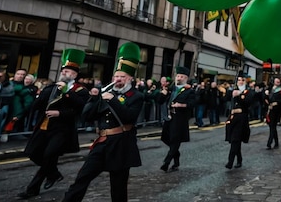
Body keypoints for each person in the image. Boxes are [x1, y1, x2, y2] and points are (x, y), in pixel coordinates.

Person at [62, 42, 144, 202]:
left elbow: (129, 117)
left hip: (121, 144)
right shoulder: (106, 92)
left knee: (118, 186)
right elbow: (87, 116)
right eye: (117, 76)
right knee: (82, 177)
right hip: (102, 142)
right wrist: (93, 98)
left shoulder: (136, 96)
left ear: (130, 79)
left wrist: (113, 100)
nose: (118, 80)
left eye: (122, 77)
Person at [17, 49, 89, 199]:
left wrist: (60, 111)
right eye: (64, 71)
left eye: (69, 72)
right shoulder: (51, 87)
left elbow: (80, 108)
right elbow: (37, 105)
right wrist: (19, 115)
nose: (65, 73)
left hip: (62, 130)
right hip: (44, 126)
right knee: (33, 154)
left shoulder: (80, 90)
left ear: (75, 75)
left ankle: (32, 189)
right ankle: (54, 174)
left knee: (49, 155)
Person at [159, 66, 196, 172]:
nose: (179, 78)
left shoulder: (189, 91)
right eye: (178, 76)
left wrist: (182, 105)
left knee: (175, 140)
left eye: (182, 76)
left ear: (186, 78)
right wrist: (162, 94)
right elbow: (160, 101)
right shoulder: (171, 89)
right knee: (166, 138)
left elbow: (192, 103)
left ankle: (166, 162)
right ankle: (176, 156)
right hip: (169, 117)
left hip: (180, 119)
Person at [224, 86, 252, 169]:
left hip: (241, 121)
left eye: (242, 80)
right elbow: (225, 99)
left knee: (235, 140)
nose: (240, 81)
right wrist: (230, 93)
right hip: (232, 119)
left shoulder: (247, 92)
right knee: (235, 142)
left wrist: (239, 96)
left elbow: (247, 104)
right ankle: (239, 159)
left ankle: (230, 162)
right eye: (239, 80)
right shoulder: (233, 91)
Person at [265, 77, 281, 149]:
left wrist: (277, 103)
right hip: (270, 109)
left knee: (272, 126)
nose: (277, 82)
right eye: (276, 81)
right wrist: (266, 95)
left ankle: (269, 143)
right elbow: (265, 98)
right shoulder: (270, 89)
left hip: (277, 110)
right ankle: (276, 142)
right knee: (272, 126)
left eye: (278, 81)